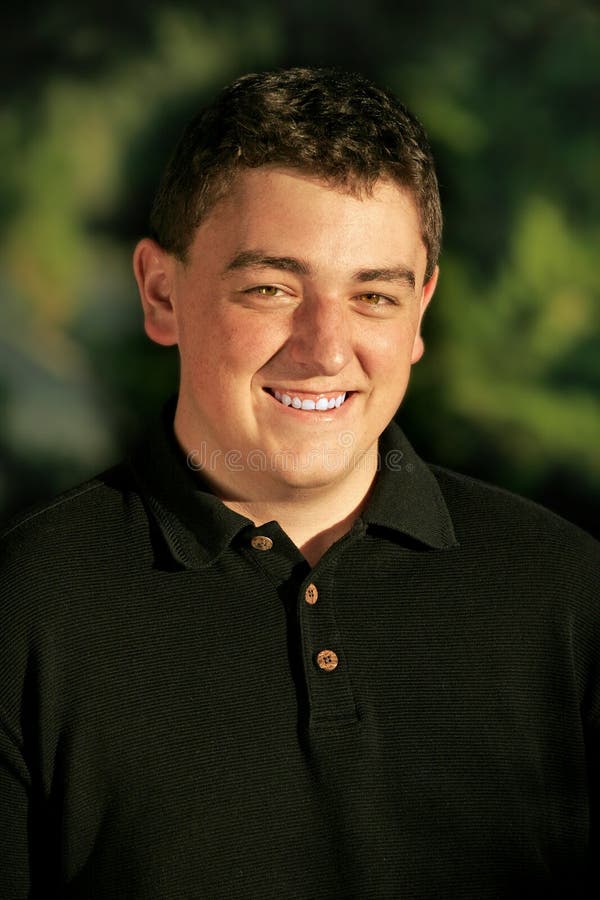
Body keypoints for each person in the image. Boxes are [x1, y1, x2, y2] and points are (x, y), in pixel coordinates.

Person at [0, 67, 598, 900]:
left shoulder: (568, 594)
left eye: (374, 296)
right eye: (272, 289)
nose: (324, 347)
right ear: (161, 292)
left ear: (421, 311)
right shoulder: (24, 606)